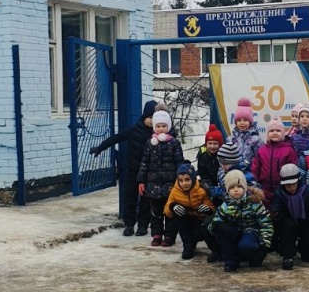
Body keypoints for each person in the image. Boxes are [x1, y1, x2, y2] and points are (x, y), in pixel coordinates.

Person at [89, 99, 156, 237]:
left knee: (146, 200)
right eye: (150, 117)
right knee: (130, 198)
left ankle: (143, 225)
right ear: (144, 116)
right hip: (132, 170)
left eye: (154, 118)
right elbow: (116, 138)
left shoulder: (157, 135)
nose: (151, 121)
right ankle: (129, 225)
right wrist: (100, 148)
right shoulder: (133, 130)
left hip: (149, 173)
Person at [206, 170, 273, 273]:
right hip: (234, 232)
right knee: (225, 236)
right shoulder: (226, 205)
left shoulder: (254, 202)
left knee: (246, 246)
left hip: (250, 231)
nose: (236, 190)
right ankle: (230, 262)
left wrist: (264, 246)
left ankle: (250, 255)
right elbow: (213, 224)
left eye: (239, 186)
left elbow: (266, 223)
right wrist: (219, 226)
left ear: (244, 187)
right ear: (228, 190)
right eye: (232, 187)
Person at [137, 110, 184, 247]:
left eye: (164, 126)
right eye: (158, 126)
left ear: (168, 127)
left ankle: (169, 236)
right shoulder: (150, 144)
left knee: (169, 212)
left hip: (170, 185)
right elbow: (144, 163)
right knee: (155, 212)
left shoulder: (174, 143)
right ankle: (156, 234)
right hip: (153, 185)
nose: (161, 129)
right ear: (154, 127)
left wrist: (180, 181)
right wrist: (141, 181)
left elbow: (179, 162)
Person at [270, 163, 309, 270]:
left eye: (293, 184)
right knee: (287, 226)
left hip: (308, 221)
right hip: (289, 223)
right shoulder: (279, 194)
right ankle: (288, 256)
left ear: (299, 181)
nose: (291, 188)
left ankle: (305, 251)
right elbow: (276, 209)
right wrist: (275, 213)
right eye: (287, 185)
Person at [164, 162, 215, 260]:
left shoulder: (201, 190)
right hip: (185, 221)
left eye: (187, 180)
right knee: (178, 215)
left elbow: (212, 209)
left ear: (192, 178)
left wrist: (207, 209)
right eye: (181, 180)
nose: (184, 183)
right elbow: (167, 212)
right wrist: (172, 206)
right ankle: (187, 245)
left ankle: (208, 245)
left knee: (202, 229)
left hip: (198, 220)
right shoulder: (175, 191)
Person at [250, 118, 298, 209]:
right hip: (265, 188)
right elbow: (256, 167)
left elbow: (294, 167)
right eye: (271, 131)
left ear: (283, 133)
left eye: (278, 131)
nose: (275, 133)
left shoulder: (289, 150)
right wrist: (254, 183)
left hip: (282, 188)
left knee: (281, 210)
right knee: (267, 210)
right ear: (268, 134)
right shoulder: (262, 150)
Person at [225, 97, 262, 164]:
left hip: (250, 172)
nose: (242, 123)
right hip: (233, 171)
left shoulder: (257, 140)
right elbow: (225, 159)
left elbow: (260, 160)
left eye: (245, 120)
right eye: (239, 120)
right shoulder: (230, 139)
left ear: (250, 122)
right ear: (236, 123)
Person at [196, 125, 224, 189]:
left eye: (215, 143)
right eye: (210, 143)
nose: (212, 146)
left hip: (221, 184)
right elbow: (203, 174)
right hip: (208, 185)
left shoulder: (223, 154)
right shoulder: (203, 156)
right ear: (206, 144)